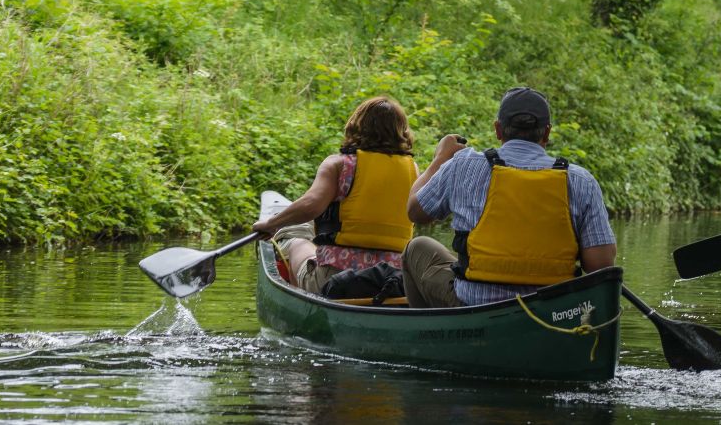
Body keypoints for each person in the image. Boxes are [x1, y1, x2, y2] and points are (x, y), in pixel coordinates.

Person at [400, 87, 617, 308]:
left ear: (498, 129)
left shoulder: (463, 165)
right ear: (547, 132)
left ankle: (431, 336)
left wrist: (440, 159)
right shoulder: (581, 181)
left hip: (473, 307)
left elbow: (415, 211)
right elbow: (601, 266)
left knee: (416, 248)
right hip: (552, 313)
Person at [252, 96, 418, 294]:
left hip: (336, 279)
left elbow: (312, 204)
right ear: (401, 131)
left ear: (357, 125)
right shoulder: (413, 169)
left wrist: (272, 225)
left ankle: (299, 290)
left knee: (297, 242)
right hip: (393, 279)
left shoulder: (340, 164)